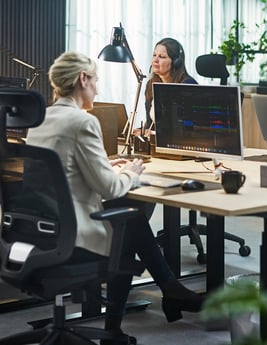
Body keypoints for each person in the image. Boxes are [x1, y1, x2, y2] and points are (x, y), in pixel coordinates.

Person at [26, 52, 203, 343]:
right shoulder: (83, 122)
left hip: (43, 231)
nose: (98, 88)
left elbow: (64, 168)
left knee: (127, 220)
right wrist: (131, 171)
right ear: (82, 79)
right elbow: (110, 188)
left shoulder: (42, 119)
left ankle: (151, 303)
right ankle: (165, 292)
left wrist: (105, 165)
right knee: (128, 217)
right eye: (96, 80)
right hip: (74, 239)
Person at [143, 37, 197, 131]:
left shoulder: (187, 85)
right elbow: (150, 125)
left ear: (176, 62)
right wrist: (143, 132)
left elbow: (187, 127)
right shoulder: (150, 84)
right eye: (154, 55)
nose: (155, 60)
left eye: (162, 57)